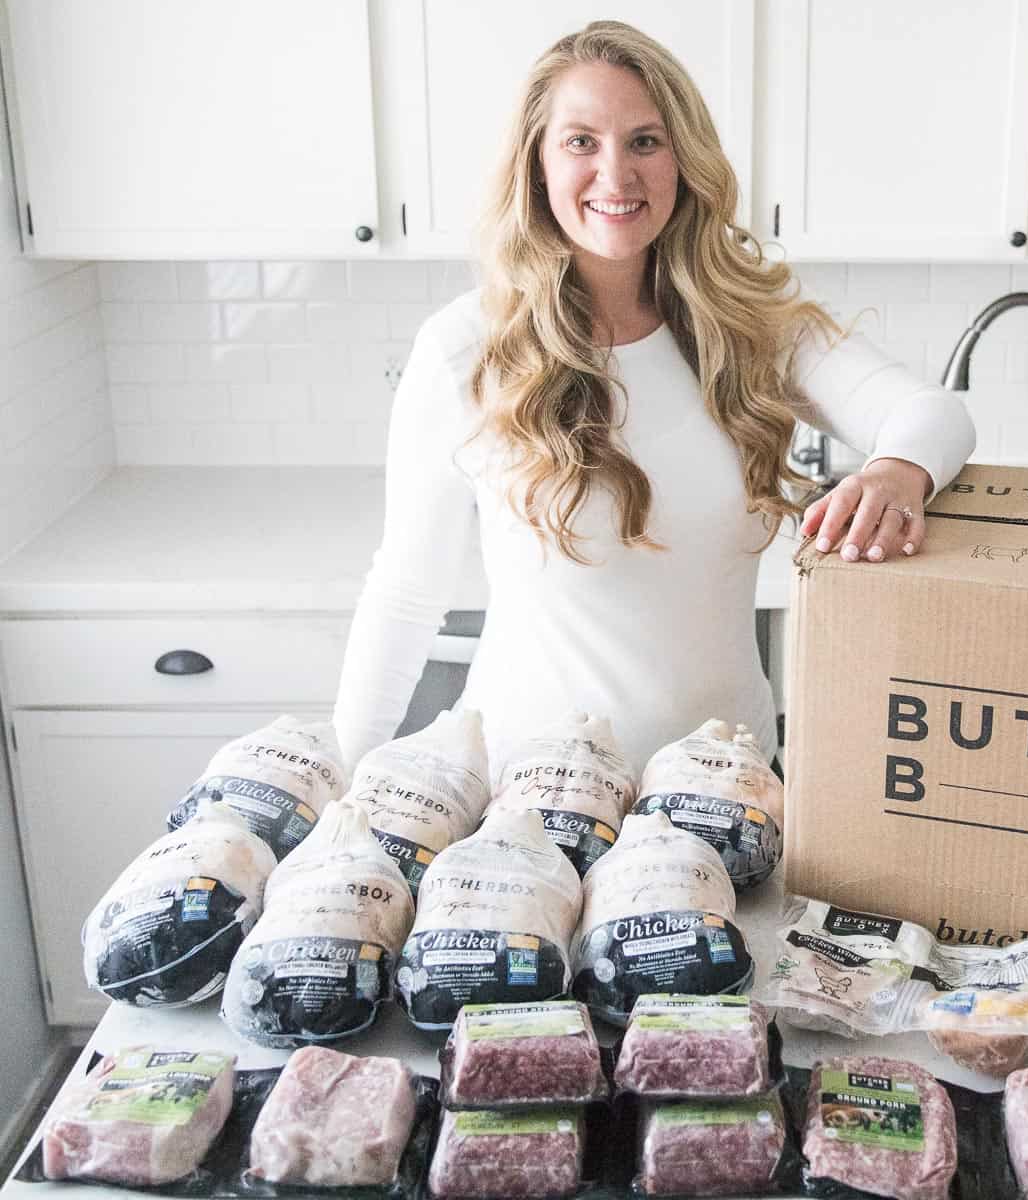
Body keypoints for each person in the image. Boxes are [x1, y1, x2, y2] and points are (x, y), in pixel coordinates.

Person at [331, 21, 976, 777]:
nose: (616, 175)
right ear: (537, 165)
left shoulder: (751, 325)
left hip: (724, 797)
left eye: (645, 141)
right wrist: (340, 782)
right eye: (581, 142)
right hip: (528, 801)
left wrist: (894, 472)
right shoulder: (466, 348)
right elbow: (405, 595)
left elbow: (935, 414)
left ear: (684, 160)